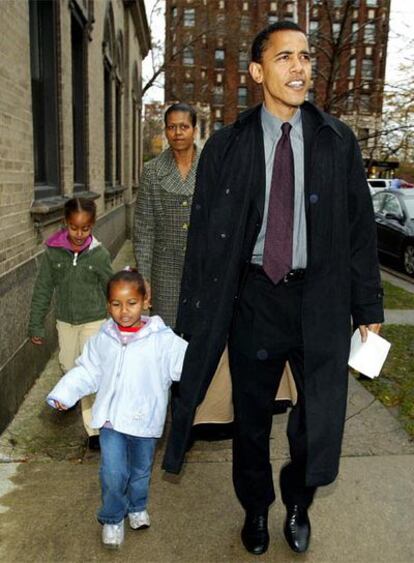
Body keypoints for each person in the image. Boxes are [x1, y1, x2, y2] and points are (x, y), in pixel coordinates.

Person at [162, 21, 384, 556]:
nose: (300, 67)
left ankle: (299, 502)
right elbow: (203, 239)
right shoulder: (227, 146)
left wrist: (368, 305)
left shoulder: (337, 141)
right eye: (285, 57)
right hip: (255, 300)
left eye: (306, 57)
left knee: (319, 419)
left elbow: (359, 230)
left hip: (321, 301)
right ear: (259, 71)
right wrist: (193, 309)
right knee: (252, 420)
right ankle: (257, 509)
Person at [46, 268, 188, 548]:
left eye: (132, 303)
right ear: (108, 305)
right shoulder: (102, 339)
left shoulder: (163, 340)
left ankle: (136, 507)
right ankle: (112, 518)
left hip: (145, 420)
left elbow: (188, 366)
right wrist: (64, 393)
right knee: (113, 472)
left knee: (140, 472)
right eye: (116, 304)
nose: (124, 311)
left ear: (146, 301)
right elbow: (86, 371)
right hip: (111, 421)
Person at [28, 198, 112, 448]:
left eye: (85, 228)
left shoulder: (99, 254)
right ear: (65, 223)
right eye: (74, 228)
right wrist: (35, 324)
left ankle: (94, 430)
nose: (79, 233)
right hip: (65, 321)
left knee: (89, 372)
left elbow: (111, 287)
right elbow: (42, 289)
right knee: (67, 364)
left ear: (92, 225)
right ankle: (73, 390)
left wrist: (121, 317)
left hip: (94, 321)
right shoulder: (53, 253)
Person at [134, 102, 200, 328]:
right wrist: (144, 277)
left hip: (201, 268)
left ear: (195, 130)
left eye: (184, 126)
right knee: (165, 335)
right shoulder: (152, 171)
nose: (178, 133)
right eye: (172, 127)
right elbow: (144, 229)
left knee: (199, 339)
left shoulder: (212, 167)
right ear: (166, 131)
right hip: (164, 273)